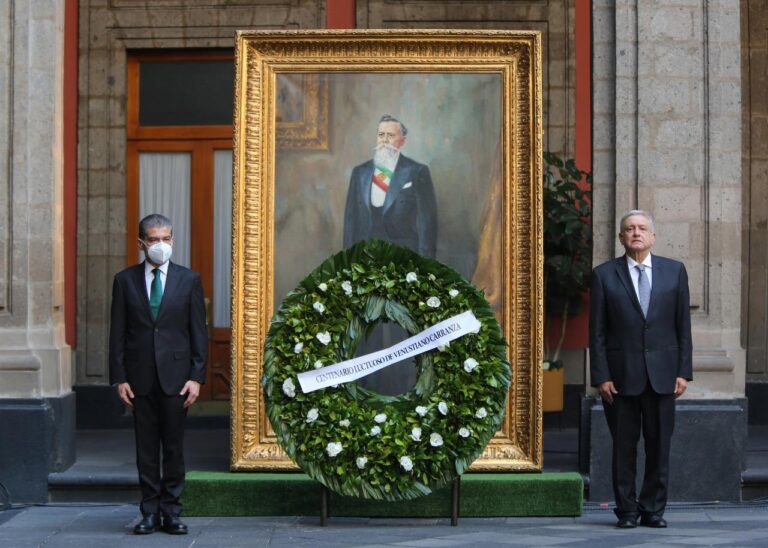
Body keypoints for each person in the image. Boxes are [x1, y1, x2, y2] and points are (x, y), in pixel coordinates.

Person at [589, 210, 693, 529]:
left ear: (653, 236)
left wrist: (682, 371)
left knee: (659, 447)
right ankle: (628, 512)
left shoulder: (675, 273)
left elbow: (682, 327)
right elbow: (598, 333)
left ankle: (653, 510)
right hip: (620, 380)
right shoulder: (604, 275)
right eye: (629, 229)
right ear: (621, 238)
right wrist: (601, 376)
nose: (636, 233)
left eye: (642, 228)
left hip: (663, 377)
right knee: (624, 449)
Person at [109, 213, 207, 535]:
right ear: (141, 244)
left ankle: (172, 512)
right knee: (146, 448)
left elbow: (198, 333)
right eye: (153, 239)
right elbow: (118, 334)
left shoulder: (188, 280)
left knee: (174, 448)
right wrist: (119, 377)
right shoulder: (125, 281)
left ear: (173, 241)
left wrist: (196, 376)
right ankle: (149, 511)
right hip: (139, 379)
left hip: (177, 379)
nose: (160, 245)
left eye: (166, 238)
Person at [343, 114, 438, 258]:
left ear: (402, 141)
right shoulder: (360, 173)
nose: (384, 140)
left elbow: (427, 223)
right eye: (381, 135)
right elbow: (350, 222)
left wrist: (425, 265)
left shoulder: (417, 171)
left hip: (404, 258)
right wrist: (347, 262)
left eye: (390, 135)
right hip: (365, 259)